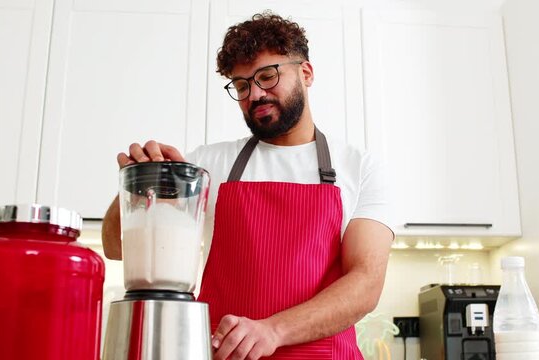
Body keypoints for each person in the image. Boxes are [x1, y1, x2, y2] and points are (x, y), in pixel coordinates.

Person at [102, 11, 394, 360]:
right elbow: (117, 247)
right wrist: (140, 183)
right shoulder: (206, 166)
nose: (254, 94)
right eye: (241, 85)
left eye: (267, 77)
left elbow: (365, 283)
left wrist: (273, 331)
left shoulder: (360, 168)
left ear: (306, 73)